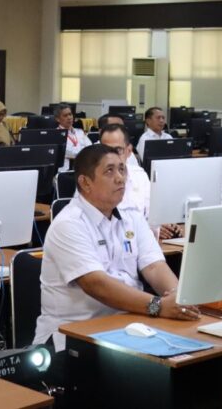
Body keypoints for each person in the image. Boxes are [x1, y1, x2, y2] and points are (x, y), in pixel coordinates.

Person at [33, 144, 199, 353]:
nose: (120, 178)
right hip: (74, 336)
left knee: (190, 354)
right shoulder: (68, 224)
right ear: (85, 182)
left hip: (129, 325)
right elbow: (96, 284)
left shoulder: (131, 215)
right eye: (109, 171)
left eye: (122, 169)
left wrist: (180, 301)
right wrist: (158, 306)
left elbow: (154, 267)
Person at [98, 123, 180, 240]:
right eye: (105, 150)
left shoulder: (139, 175)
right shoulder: (93, 180)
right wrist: (152, 230)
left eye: (117, 150)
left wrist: (164, 226)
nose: (111, 156)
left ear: (128, 151)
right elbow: (107, 226)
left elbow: (152, 214)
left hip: (142, 241)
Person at [57, 103, 91, 172]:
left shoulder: (80, 132)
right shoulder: (56, 134)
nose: (69, 117)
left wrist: (82, 151)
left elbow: (90, 148)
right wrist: (83, 149)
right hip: (66, 172)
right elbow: (70, 153)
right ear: (58, 119)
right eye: (65, 115)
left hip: (83, 169)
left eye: (70, 114)